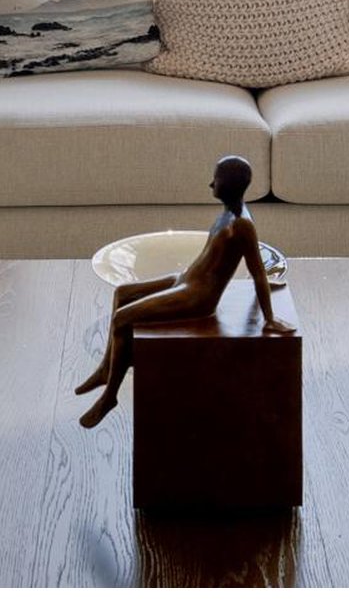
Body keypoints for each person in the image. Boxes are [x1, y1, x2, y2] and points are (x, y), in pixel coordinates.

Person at [74, 154, 291, 429]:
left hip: (199, 296)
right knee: (122, 293)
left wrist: (269, 316)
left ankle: (110, 397)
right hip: (184, 279)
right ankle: (107, 368)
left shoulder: (243, 224)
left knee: (121, 319)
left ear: (231, 185)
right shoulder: (228, 213)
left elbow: (258, 270)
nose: (211, 183)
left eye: (218, 180)